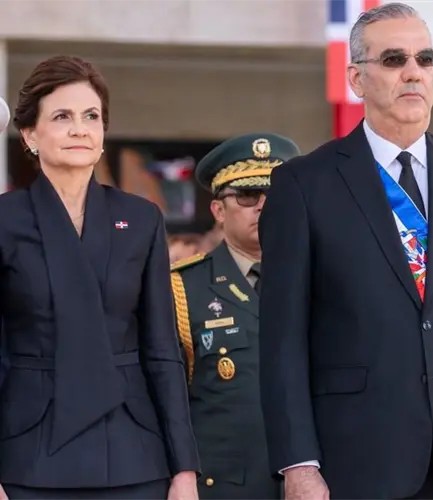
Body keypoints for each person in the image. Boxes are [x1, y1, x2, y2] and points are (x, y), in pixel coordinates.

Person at [257, 3, 433, 500]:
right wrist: (298, 464)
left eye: (425, 59)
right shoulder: (304, 184)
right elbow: (283, 339)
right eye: (393, 60)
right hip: (356, 457)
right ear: (357, 79)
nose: (413, 72)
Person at [0, 56, 200, 499]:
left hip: (134, 450)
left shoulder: (141, 218)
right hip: (30, 455)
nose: (80, 128)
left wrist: (184, 469)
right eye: (62, 117)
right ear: (31, 135)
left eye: (92, 116)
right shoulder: (4, 220)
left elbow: (162, 352)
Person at [170, 133, 301, 500]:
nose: (262, 206)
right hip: (222, 487)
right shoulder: (183, 288)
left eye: (274, 197)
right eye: (247, 196)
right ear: (218, 210)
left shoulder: (321, 279)